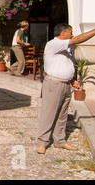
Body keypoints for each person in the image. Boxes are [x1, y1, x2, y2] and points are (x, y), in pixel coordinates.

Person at [36, 23, 95, 154]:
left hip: (65, 85)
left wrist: (72, 80)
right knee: (49, 113)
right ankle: (42, 142)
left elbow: (63, 64)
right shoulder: (54, 44)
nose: (72, 35)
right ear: (63, 33)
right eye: (70, 32)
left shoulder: (65, 48)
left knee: (62, 114)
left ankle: (60, 141)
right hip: (53, 85)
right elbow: (77, 39)